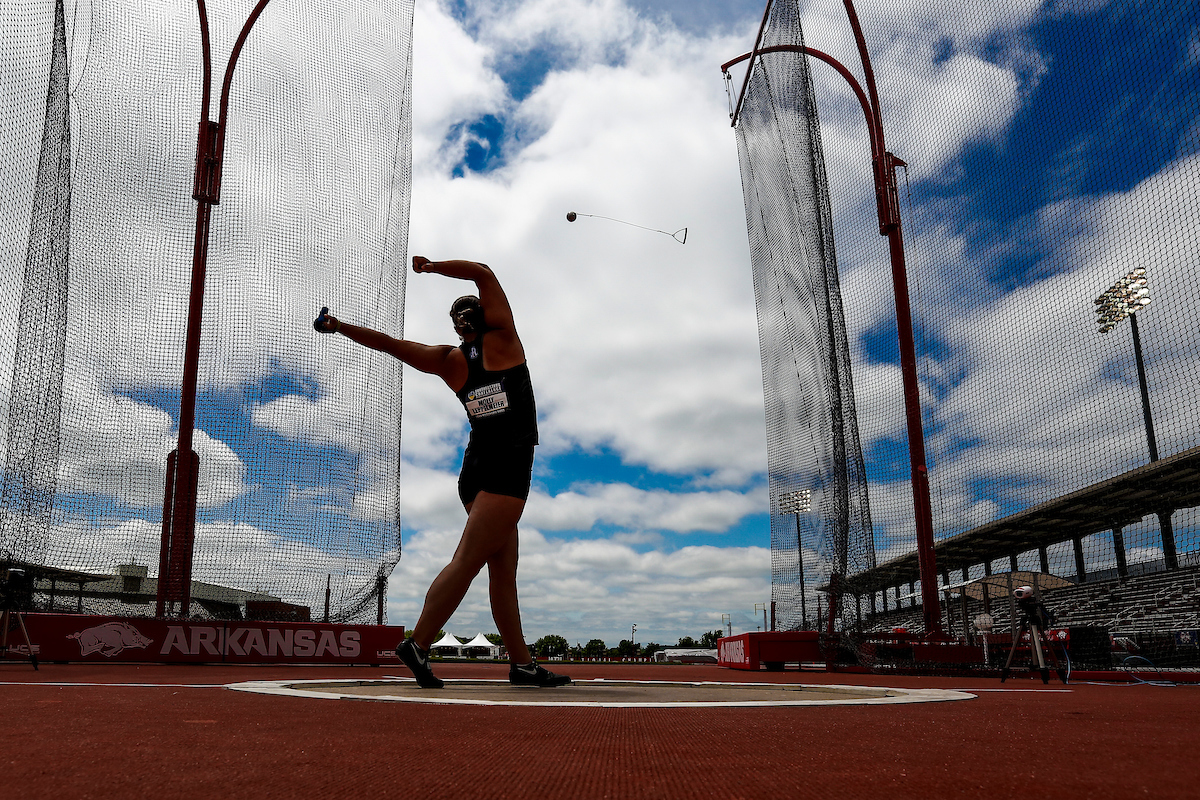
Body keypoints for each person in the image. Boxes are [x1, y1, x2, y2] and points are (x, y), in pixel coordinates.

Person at [314, 255, 570, 689]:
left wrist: (339, 326)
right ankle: (420, 642)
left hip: (474, 471)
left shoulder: (447, 360)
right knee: (469, 560)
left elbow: (389, 344)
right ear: (487, 316)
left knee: (501, 573)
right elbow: (484, 272)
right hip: (506, 466)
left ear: (456, 326)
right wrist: (431, 267)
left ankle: (523, 664)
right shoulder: (505, 340)